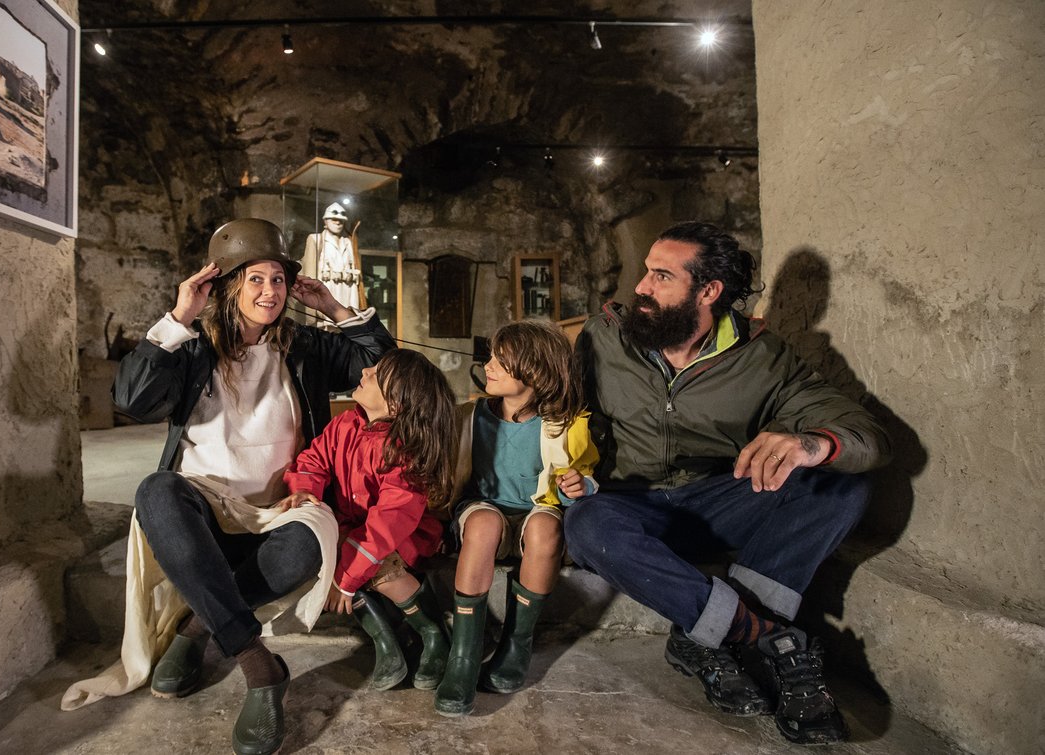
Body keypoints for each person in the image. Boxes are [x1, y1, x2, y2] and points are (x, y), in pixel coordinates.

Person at [60, 218, 395, 755]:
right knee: (155, 492)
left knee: (309, 544)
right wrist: (178, 317)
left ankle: (197, 630)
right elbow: (132, 399)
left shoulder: (305, 345)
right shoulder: (191, 348)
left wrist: (335, 309)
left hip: (278, 511)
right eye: (256, 279)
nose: (270, 292)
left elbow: (382, 367)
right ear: (228, 286)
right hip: (205, 509)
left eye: (279, 280)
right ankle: (260, 666)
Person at [566, 221, 891, 745]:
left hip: (720, 503)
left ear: (708, 291)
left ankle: (701, 636)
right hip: (629, 507)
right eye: (646, 272)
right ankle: (761, 635)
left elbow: (866, 437)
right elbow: (549, 402)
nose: (641, 287)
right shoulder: (604, 337)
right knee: (587, 524)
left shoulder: (764, 357)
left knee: (841, 486)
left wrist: (812, 445)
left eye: (661, 276)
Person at [434, 320, 598, 717]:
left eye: (500, 361)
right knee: (485, 524)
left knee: (546, 528)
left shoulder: (565, 423)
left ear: (535, 372)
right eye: (491, 356)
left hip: (535, 509)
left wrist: (580, 486)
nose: (488, 365)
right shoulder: (469, 417)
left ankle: (516, 642)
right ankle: (465, 652)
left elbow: (585, 472)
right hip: (482, 510)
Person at [281, 348, 457, 693]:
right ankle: (387, 642)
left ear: (397, 404)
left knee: (377, 570)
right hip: (355, 528)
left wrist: (344, 581)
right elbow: (313, 460)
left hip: (398, 538)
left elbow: (387, 525)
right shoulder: (346, 423)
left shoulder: (404, 451)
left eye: (376, 375)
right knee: (332, 552)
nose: (364, 371)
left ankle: (433, 631)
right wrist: (305, 490)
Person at [303, 202, 360, 309]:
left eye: (341, 220)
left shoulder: (347, 242)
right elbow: (309, 275)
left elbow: (353, 275)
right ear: (326, 221)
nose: (338, 222)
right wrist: (313, 308)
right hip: (326, 296)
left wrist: (354, 306)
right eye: (334, 219)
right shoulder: (316, 239)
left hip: (346, 297)